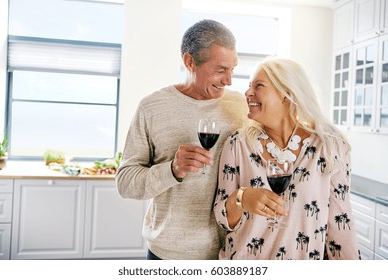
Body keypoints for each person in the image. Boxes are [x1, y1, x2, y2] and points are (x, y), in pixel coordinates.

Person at [115, 19, 248, 260]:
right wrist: (173, 170)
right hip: (168, 254)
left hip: (229, 253)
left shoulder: (241, 106)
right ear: (189, 62)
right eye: (220, 70)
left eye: (232, 69)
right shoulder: (152, 107)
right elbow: (126, 183)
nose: (229, 80)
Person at [214, 57, 360, 260]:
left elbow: (340, 223)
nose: (247, 93)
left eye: (259, 85)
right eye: (249, 86)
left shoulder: (330, 146)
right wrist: (241, 197)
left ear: (286, 95)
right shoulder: (238, 144)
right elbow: (223, 219)